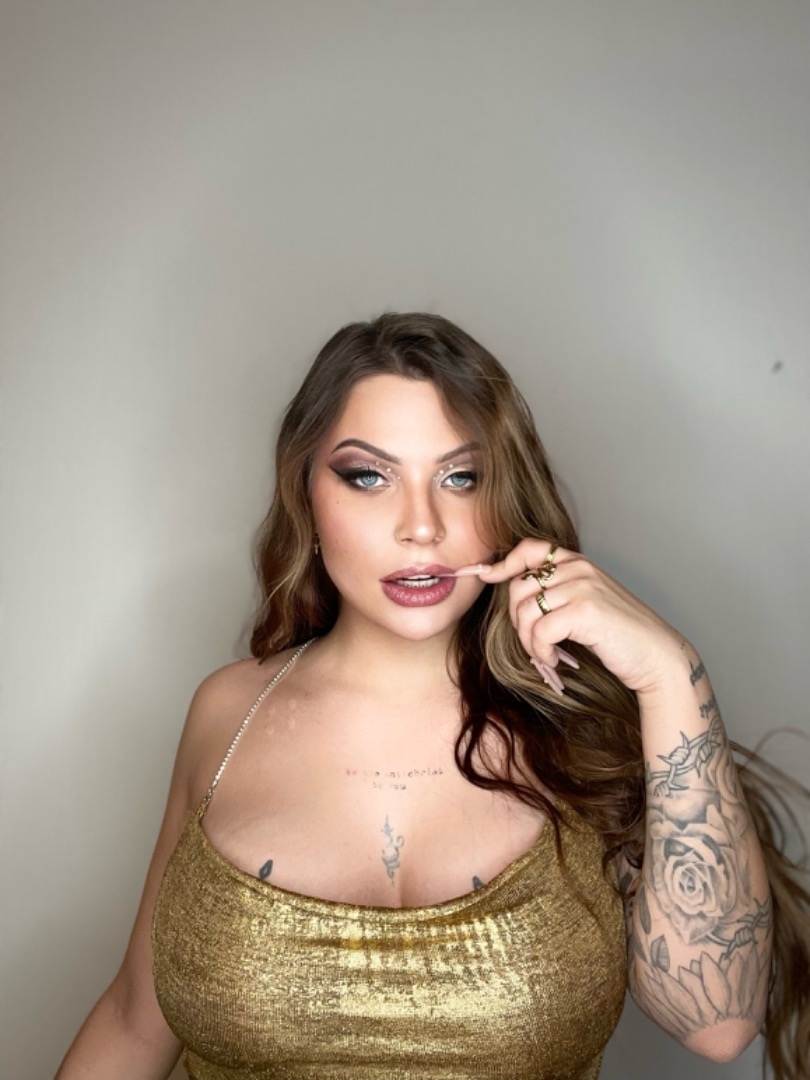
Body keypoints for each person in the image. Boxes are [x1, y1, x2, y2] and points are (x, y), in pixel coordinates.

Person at [57, 312, 809, 1080]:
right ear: (305, 493)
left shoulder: (582, 725)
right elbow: (134, 1023)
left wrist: (671, 671)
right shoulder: (227, 713)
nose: (422, 527)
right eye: (368, 476)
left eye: (460, 477)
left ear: (503, 499)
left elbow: (719, 1023)